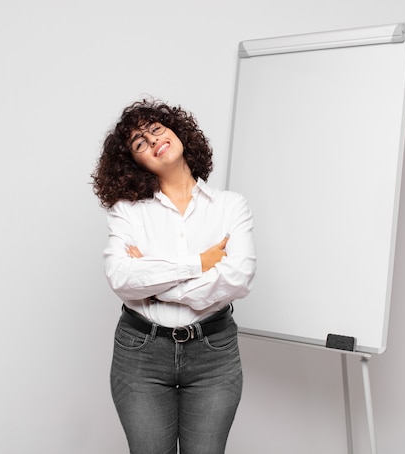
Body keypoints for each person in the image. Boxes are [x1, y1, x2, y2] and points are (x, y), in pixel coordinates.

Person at [91, 98, 256, 454]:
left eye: (156, 129)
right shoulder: (129, 213)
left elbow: (238, 278)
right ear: (134, 162)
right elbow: (121, 277)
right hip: (141, 353)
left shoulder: (230, 206)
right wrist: (199, 262)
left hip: (214, 352)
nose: (152, 141)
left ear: (177, 132)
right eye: (139, 143)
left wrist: (155, 286)